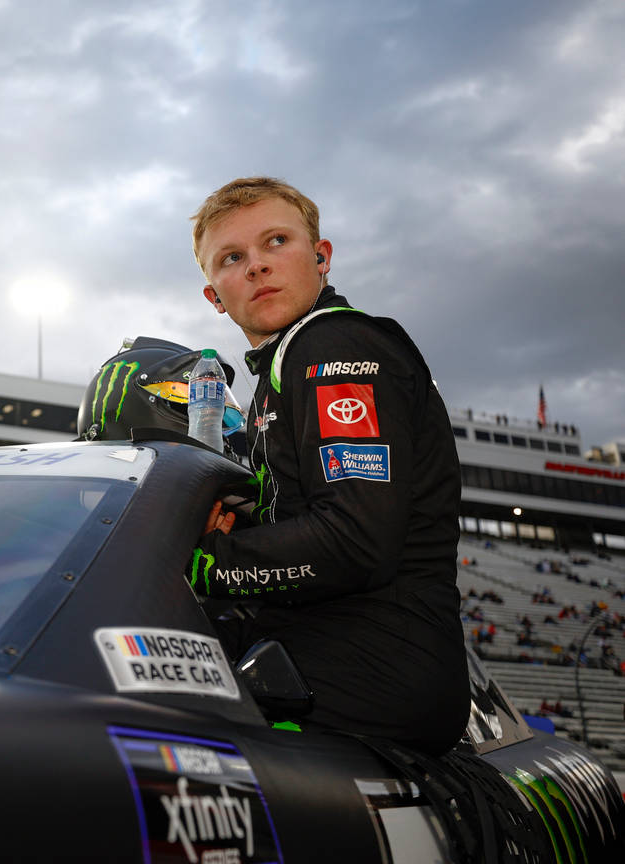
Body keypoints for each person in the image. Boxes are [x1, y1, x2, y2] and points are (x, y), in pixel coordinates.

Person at [187, 176, 469, 755]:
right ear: (215, 294)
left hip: (362, 686)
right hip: (336, 674)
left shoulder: (333, 344)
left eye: (276, 242)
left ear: (321, 257)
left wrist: (204, 564)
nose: (258, 266)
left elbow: (355, 539)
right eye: (233, 257)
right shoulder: (279, 368)